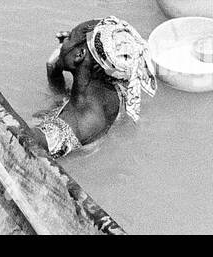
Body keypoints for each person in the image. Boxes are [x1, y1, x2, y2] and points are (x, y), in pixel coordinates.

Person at [35, 16, 157, 156]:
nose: (63, 40)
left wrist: (64, 53)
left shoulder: (74, 124)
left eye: (69, 38)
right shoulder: (118, 90)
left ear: (80, 54)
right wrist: (54, 68)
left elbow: (19, 139)